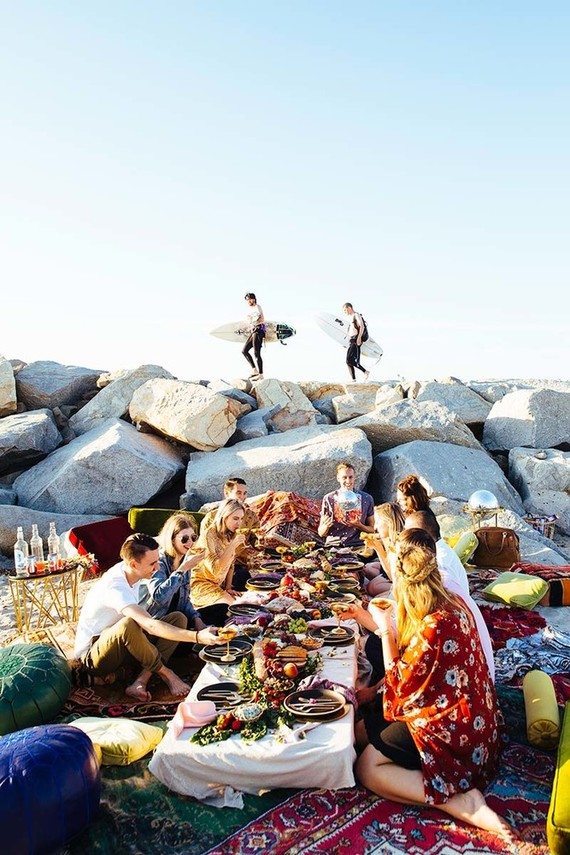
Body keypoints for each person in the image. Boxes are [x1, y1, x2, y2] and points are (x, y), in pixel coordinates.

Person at [355, 542, 512, 840]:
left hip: (453, 734)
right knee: (360, 733)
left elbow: (399, 691)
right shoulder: (453, 602)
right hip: (474, 721)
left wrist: (384, 629)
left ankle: (459, 802)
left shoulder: (433, 626)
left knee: (366, 768)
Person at [74, 533, 219, 701]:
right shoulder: (115, 586)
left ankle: (142, 678)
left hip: (123, 646)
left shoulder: (132, 571)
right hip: (94, 655)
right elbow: (149, 624)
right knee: (129, 624)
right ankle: (166, 673)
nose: (157, 568)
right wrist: (197, 637)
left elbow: (133, 540)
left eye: (157, 561)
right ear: (134, 564)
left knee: (178, 618)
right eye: (152, 563)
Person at [401, 519, 495, 680]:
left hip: (462, 698)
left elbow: (402, 682)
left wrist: (385, 630)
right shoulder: (440, 584)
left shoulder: (437, 615)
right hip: (477, 683)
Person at [138, 512, 208, 632]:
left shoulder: (184, 560)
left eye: (193, 537)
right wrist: (182, 570)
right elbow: (159, 597)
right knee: (181, 619)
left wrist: (196, 619)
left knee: (219, 610)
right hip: (154, 621)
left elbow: (184, 599)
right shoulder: (159, 561)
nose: (190, 543)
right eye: (184, 539)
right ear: (172, 540)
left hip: (175, 616)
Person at [190, 498, 247, 625]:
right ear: (224, 516)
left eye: (241, 519)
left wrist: (228, 587)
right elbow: (215, 569)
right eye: (235, 518)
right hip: (201, 583)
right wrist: (233, 545)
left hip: (217, 584)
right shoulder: (209, 534)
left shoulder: (229, 535)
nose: (239, 523)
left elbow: (230, 565)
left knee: (247, 602)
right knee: (235, 609)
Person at [200, 477, 261, 589]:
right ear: (227, 493)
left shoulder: (251, 516)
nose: (242, 497)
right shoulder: (211, 519)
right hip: (214, 566)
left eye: (245, 493)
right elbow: (205, 550)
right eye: (238, 493)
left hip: (239, 564)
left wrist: (262, 540)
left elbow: (256, 541)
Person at [318, 462, 375, 548]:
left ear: (354, 478)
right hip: (334, 545)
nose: (348, 481)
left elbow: (373, 529)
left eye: (350, 477)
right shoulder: (329, 499)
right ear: (338, 478)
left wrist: (360, 526)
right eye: (344, 477)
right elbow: (321, 533)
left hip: (358, 544)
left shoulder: (366, 498)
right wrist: (326, 526)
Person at [343, 302, 369, 383]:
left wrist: (359, 337)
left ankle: (365, 371)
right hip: (351, 340)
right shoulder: (351, 317)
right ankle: (353, 379)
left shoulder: (356, 315)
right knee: (348, 361)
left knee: (349, 360)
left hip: (355, 339)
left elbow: (362, 325)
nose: (344, 312)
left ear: (349, 308)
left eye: (345, 310)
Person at [242, 292, 265, 380]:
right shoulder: (248, 310)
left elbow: (262, 319)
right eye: (247, 300)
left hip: (259, 330)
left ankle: (261, 374)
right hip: (253, 331)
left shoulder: (257, 307)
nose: (248, 301)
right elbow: (250, 320)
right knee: (244, 351)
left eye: (249, 299)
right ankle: (254, 370)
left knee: (256, 352)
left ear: (253, 299)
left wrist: (253, 321)